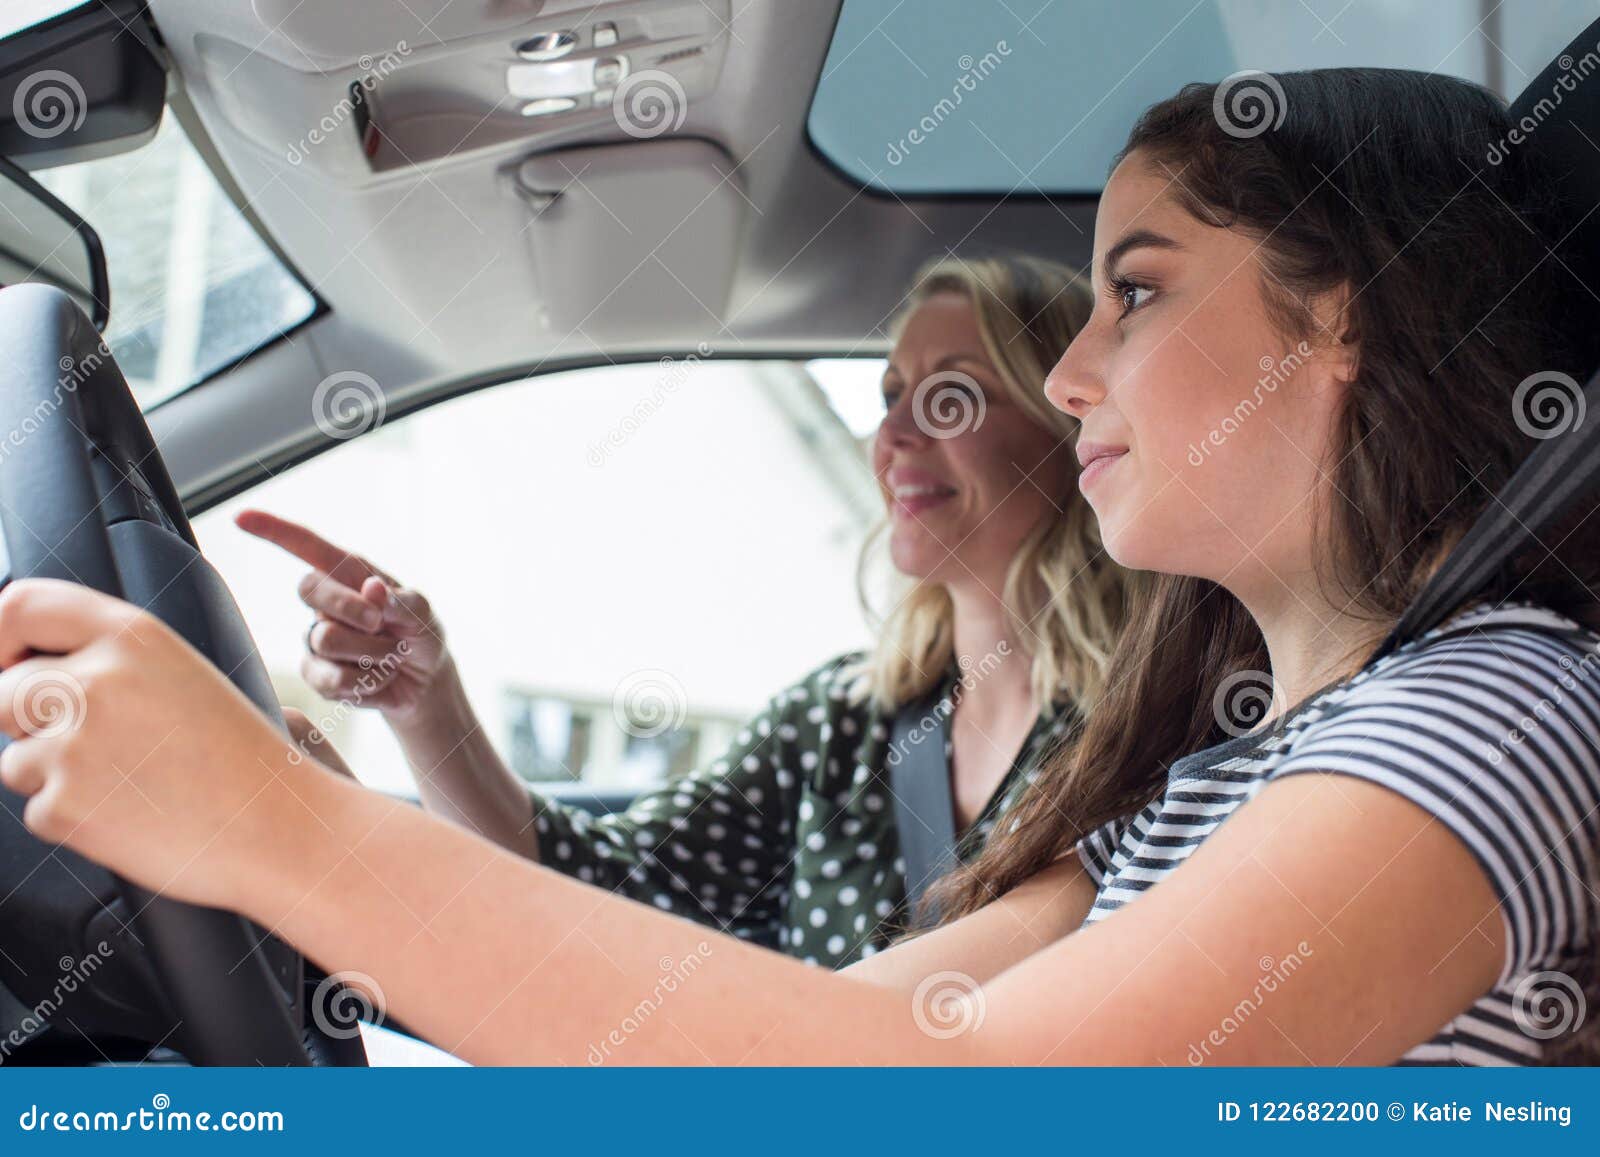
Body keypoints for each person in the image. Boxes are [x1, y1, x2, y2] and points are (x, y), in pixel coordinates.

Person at [5, 67, 1599, 1066]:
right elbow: (866, 1020)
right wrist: (312, 826)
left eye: (1138, 293)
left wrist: (283, 832)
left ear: (1341, 326)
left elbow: (950, 1098)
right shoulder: (1202, 773)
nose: (1074, 376)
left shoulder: (1499, 715)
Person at [225, 254, 1131, 966]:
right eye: (890, 395)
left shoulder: (1143, 737)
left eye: (952, 392)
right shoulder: (843, 722)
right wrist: (429, 705)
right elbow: (591, 891)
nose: (892, 435)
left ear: (1068, 427)